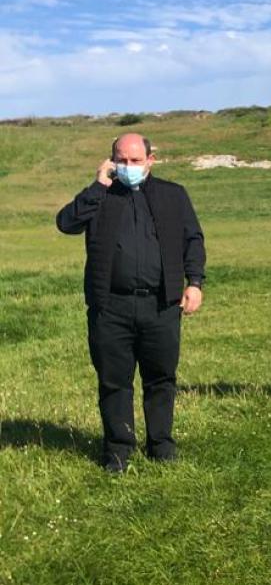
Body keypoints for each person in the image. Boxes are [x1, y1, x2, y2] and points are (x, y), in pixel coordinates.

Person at [56, 133, 205, 473]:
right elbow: (66, 224)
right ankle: (118, 450)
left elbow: (193, 240)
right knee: (113, 381)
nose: (128, 167)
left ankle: (161, 445)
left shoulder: (173, 195)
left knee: (161, 377)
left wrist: (194, 283)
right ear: (110, 161)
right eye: (121, 160)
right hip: (111, 307)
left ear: (151, 160)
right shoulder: (101, 196)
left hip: (161, 305)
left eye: (135, 161)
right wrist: (97, 186)